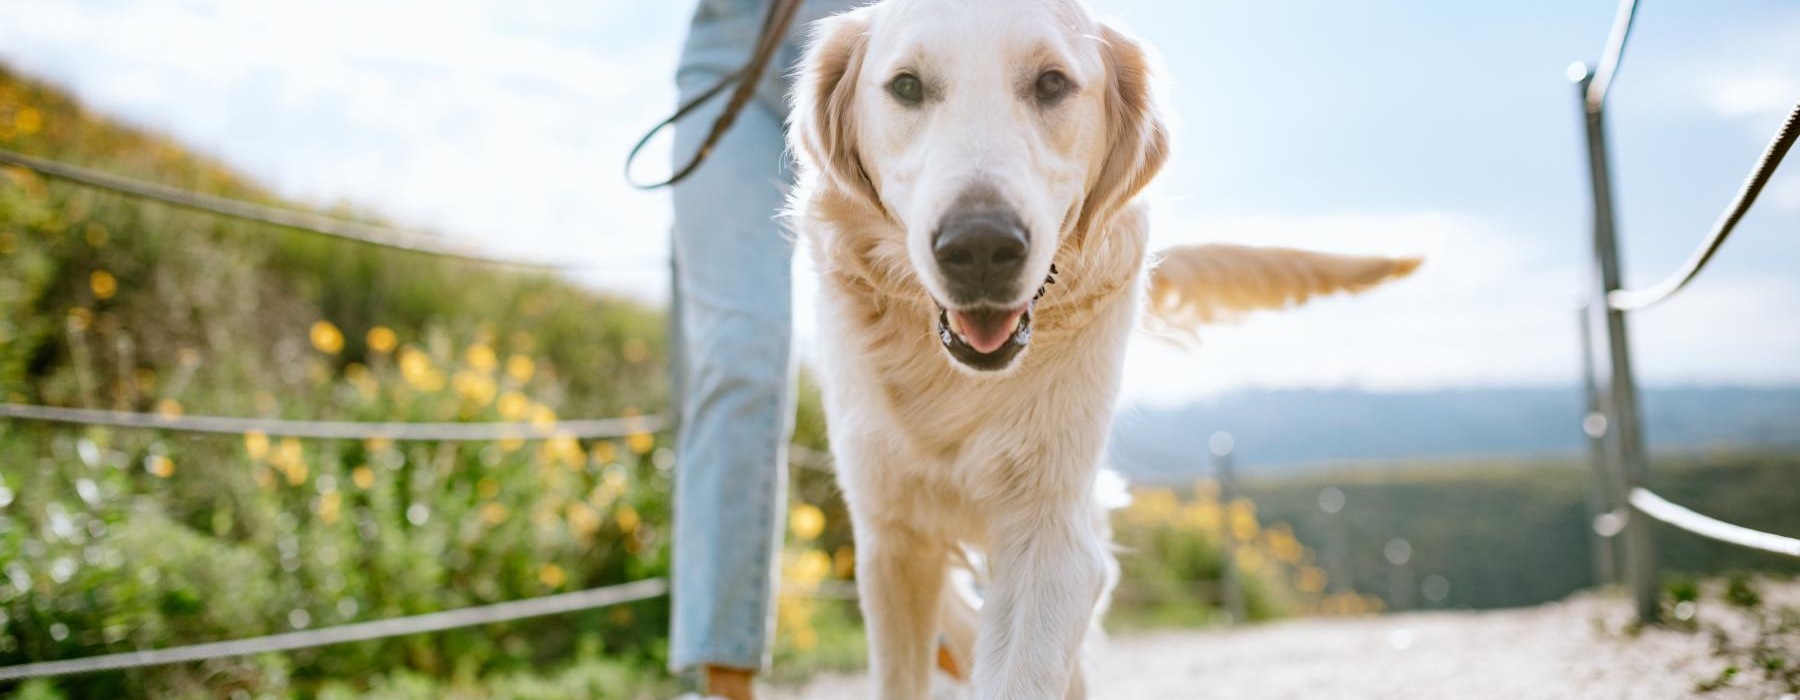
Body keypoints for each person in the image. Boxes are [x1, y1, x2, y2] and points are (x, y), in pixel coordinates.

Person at [665, 1, 857, 698]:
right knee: (740, 348)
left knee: (930, 340)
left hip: (881, 37)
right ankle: (724, 683)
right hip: (734, 50)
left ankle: (963, 638)